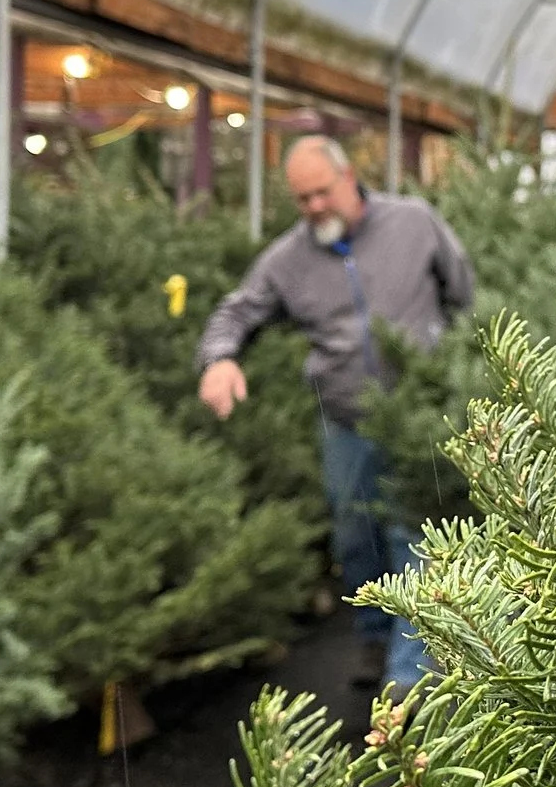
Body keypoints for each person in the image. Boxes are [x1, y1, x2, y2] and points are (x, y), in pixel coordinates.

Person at [196, 135, 475, 693]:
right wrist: (219, 359)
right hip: (345, 421)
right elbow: (238, 310)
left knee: (411, 531)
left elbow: (464, 291)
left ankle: (408, 676)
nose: (315, 207)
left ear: (349, 179)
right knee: (356, 535)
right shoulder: (288, 260)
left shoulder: (414, 223)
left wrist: (461, 367)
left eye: (322, 192)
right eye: (303, 199)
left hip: (417, 415)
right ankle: (375, 638)